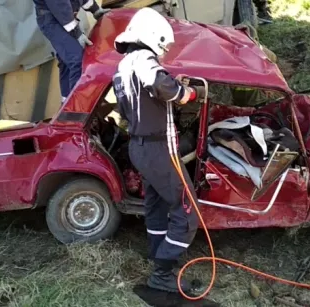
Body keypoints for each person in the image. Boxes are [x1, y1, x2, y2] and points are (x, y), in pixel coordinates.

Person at [111, 8, 206, 293]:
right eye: (163, 46)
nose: (164, 53)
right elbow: (161, 84)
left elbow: (145, 97)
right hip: (159, 151)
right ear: (153, 38)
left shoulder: (123, 66)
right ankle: (163, 274)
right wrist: (189, 93)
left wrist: (172, 88)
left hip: (139, 149)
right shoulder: (143, 59)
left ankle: (157, 253)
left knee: (157, 205)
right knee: (188, 213)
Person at [33, 0, 110, 104]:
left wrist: (95, 9)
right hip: (53, 21)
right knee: (77, 60)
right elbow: (60, 6)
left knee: (67, 62)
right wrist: (76, 32)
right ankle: (77, 106)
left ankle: (66, 103)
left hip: (61, 18)